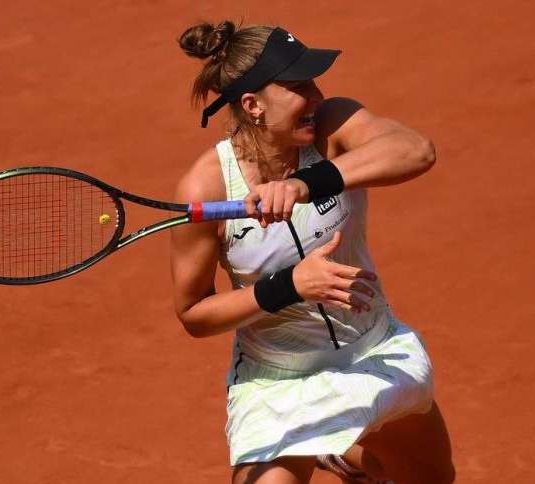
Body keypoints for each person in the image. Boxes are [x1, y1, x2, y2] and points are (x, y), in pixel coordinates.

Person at [170, 20, 455, 484]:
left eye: (314, 81)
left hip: (373, 354)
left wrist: (305, 183)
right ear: (253, 105)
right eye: (300, 86)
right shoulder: (207, 187)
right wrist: (288, 286)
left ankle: (342, 456)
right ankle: (328, 447)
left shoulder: (332, 127)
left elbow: (415, 151)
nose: (317, 96)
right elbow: (195, 315)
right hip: (280, 383)